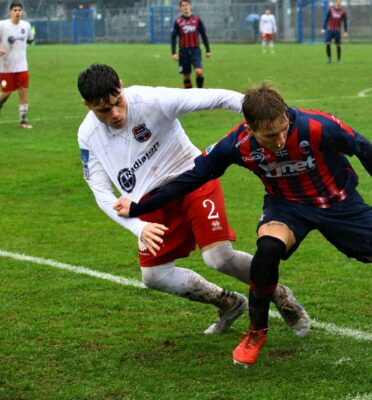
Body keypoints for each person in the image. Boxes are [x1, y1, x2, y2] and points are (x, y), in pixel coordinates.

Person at [114, 82, 372, 369]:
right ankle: (257, 331)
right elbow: (192, 177)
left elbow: (362, 146)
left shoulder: (317, 126)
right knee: (267, 251)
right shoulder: (235, 145)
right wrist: (139, 206)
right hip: (288, 208)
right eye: (269, 136)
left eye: (283, 129)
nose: (279, 139)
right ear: (250, 128)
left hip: (343, 206)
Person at [77, 65, 310, 338]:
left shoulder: (151, 100)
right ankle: (228, 302)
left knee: (218, 258)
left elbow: (217, 97)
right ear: (87, 105)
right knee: (154, 277)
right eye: (103, 110)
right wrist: (138, 228)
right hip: (152, 202)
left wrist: (271, 118)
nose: (115, 113)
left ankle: (279, 294)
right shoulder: (88, 135)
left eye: (118, 102)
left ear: (122, 85)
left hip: (192, 179)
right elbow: (100, 191)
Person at [0, 2, 34, 128]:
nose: (17, 12)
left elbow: (30, 39)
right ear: (10, 12)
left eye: (19, 10)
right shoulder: (2, 25)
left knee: (23, 91)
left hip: (21, 66)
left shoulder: (26, 25)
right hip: (5, 66)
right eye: (15, 10)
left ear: (22, 12)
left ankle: (23, 120)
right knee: (6, 93)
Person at [171, 0, 210, 89]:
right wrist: (173, 52)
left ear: (190, 6)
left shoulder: (197, 19)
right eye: (183, 5)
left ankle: (200, 92)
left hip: (195, 50)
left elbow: (203, 34)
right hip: (183, 51)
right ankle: (189, 96)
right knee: (186, 76)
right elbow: (173, 37)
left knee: (198, 71)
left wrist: (208, 50)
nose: (185, 7)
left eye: (187, 5)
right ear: (181, 7)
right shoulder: (178, 21)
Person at [322, 0, 348, 64]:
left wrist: (345, 31)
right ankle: (329, 59)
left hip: (337, 31)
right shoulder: (331, 10)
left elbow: (345, 22)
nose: (338, 3)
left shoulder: (343, 12)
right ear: (335, 3)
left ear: (341, 3)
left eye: (340, 2)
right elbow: (327, 19)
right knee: (328, 43)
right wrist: (324, 28)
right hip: (330, 30)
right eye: (337, 2)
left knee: (338, 45)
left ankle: (339, 60)